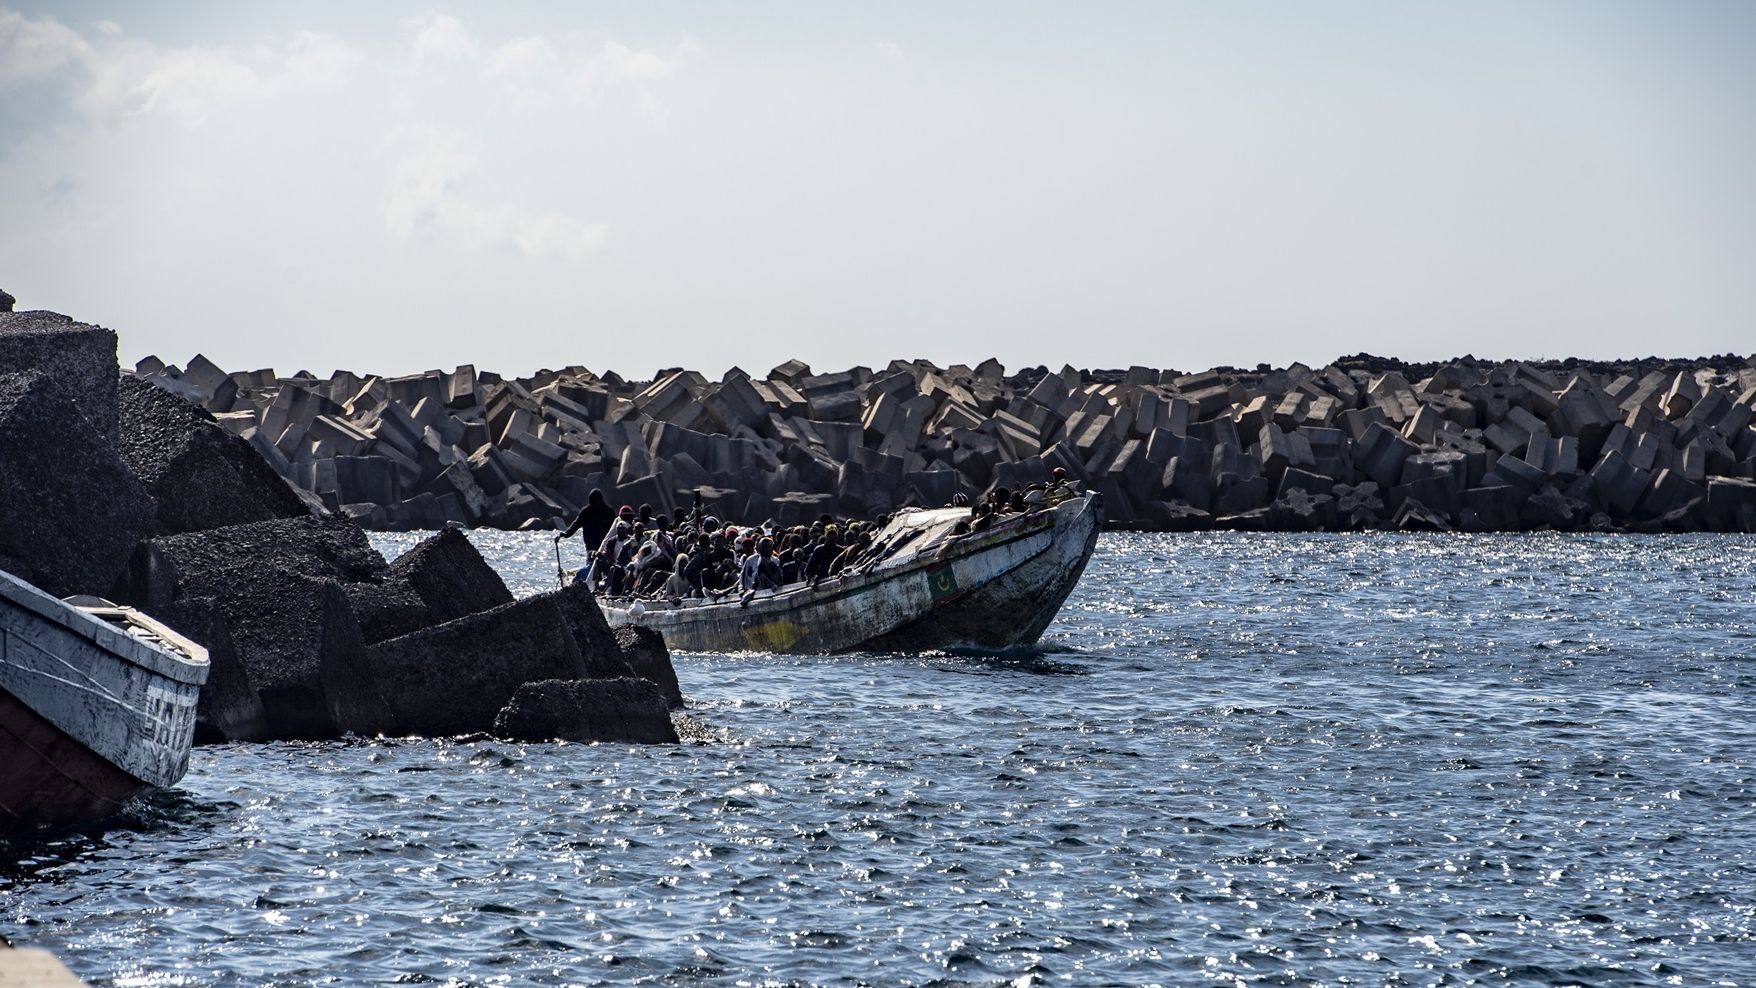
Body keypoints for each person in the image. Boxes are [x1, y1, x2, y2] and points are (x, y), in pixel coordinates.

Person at [557, 490, 616, 580]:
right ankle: (591, 583)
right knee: (591, 566)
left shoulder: (608, 511)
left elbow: (614, 528)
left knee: (604, 564)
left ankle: (605, 583)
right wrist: (566, 534)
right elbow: (576, 524)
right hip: (590, 545)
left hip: (605, 545)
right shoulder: (586, 511)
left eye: (598, 499)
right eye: (594, 499)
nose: (596, 501)